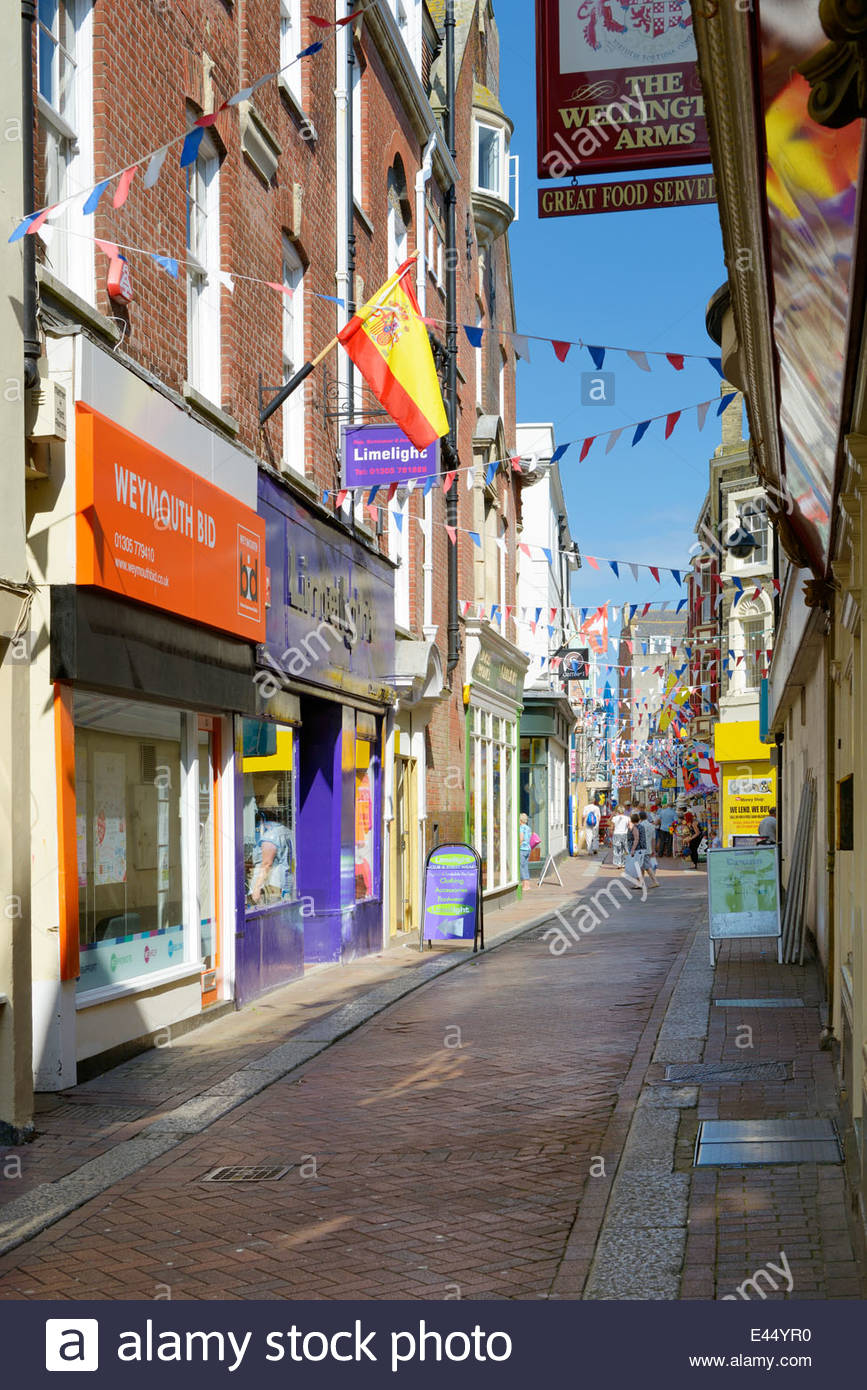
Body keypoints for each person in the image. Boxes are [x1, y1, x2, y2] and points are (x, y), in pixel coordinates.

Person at [638, 810, 660, 888]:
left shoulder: (639, 826)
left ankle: (655, 881)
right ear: (647, 817)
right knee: (641, 866)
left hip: (641, 848)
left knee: (646, 866)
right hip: (648, 848)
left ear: (639, 817)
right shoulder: (651, 826)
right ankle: (640, 882)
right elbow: (653, 839)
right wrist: (653, 850)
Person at [610, 803, 631, 869]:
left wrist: (611, 836)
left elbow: (612, 828)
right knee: (625, 849)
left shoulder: (614, 818)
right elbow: (630, 827)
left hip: (616, 834)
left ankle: (618, 863)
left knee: (617, 849)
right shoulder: (627, 818)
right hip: (625, 834)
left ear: (618, 811)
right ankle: (625, 863)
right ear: (623, 811)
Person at [519, 812, 532, 884]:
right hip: (528, 849)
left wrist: (518, 846)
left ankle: (525, 885)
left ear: (520, 820)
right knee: (525, 866)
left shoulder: (521, 828)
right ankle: (527, 883)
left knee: (521, 867)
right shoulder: (528, 828)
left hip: (522, 849)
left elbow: (521, 838)